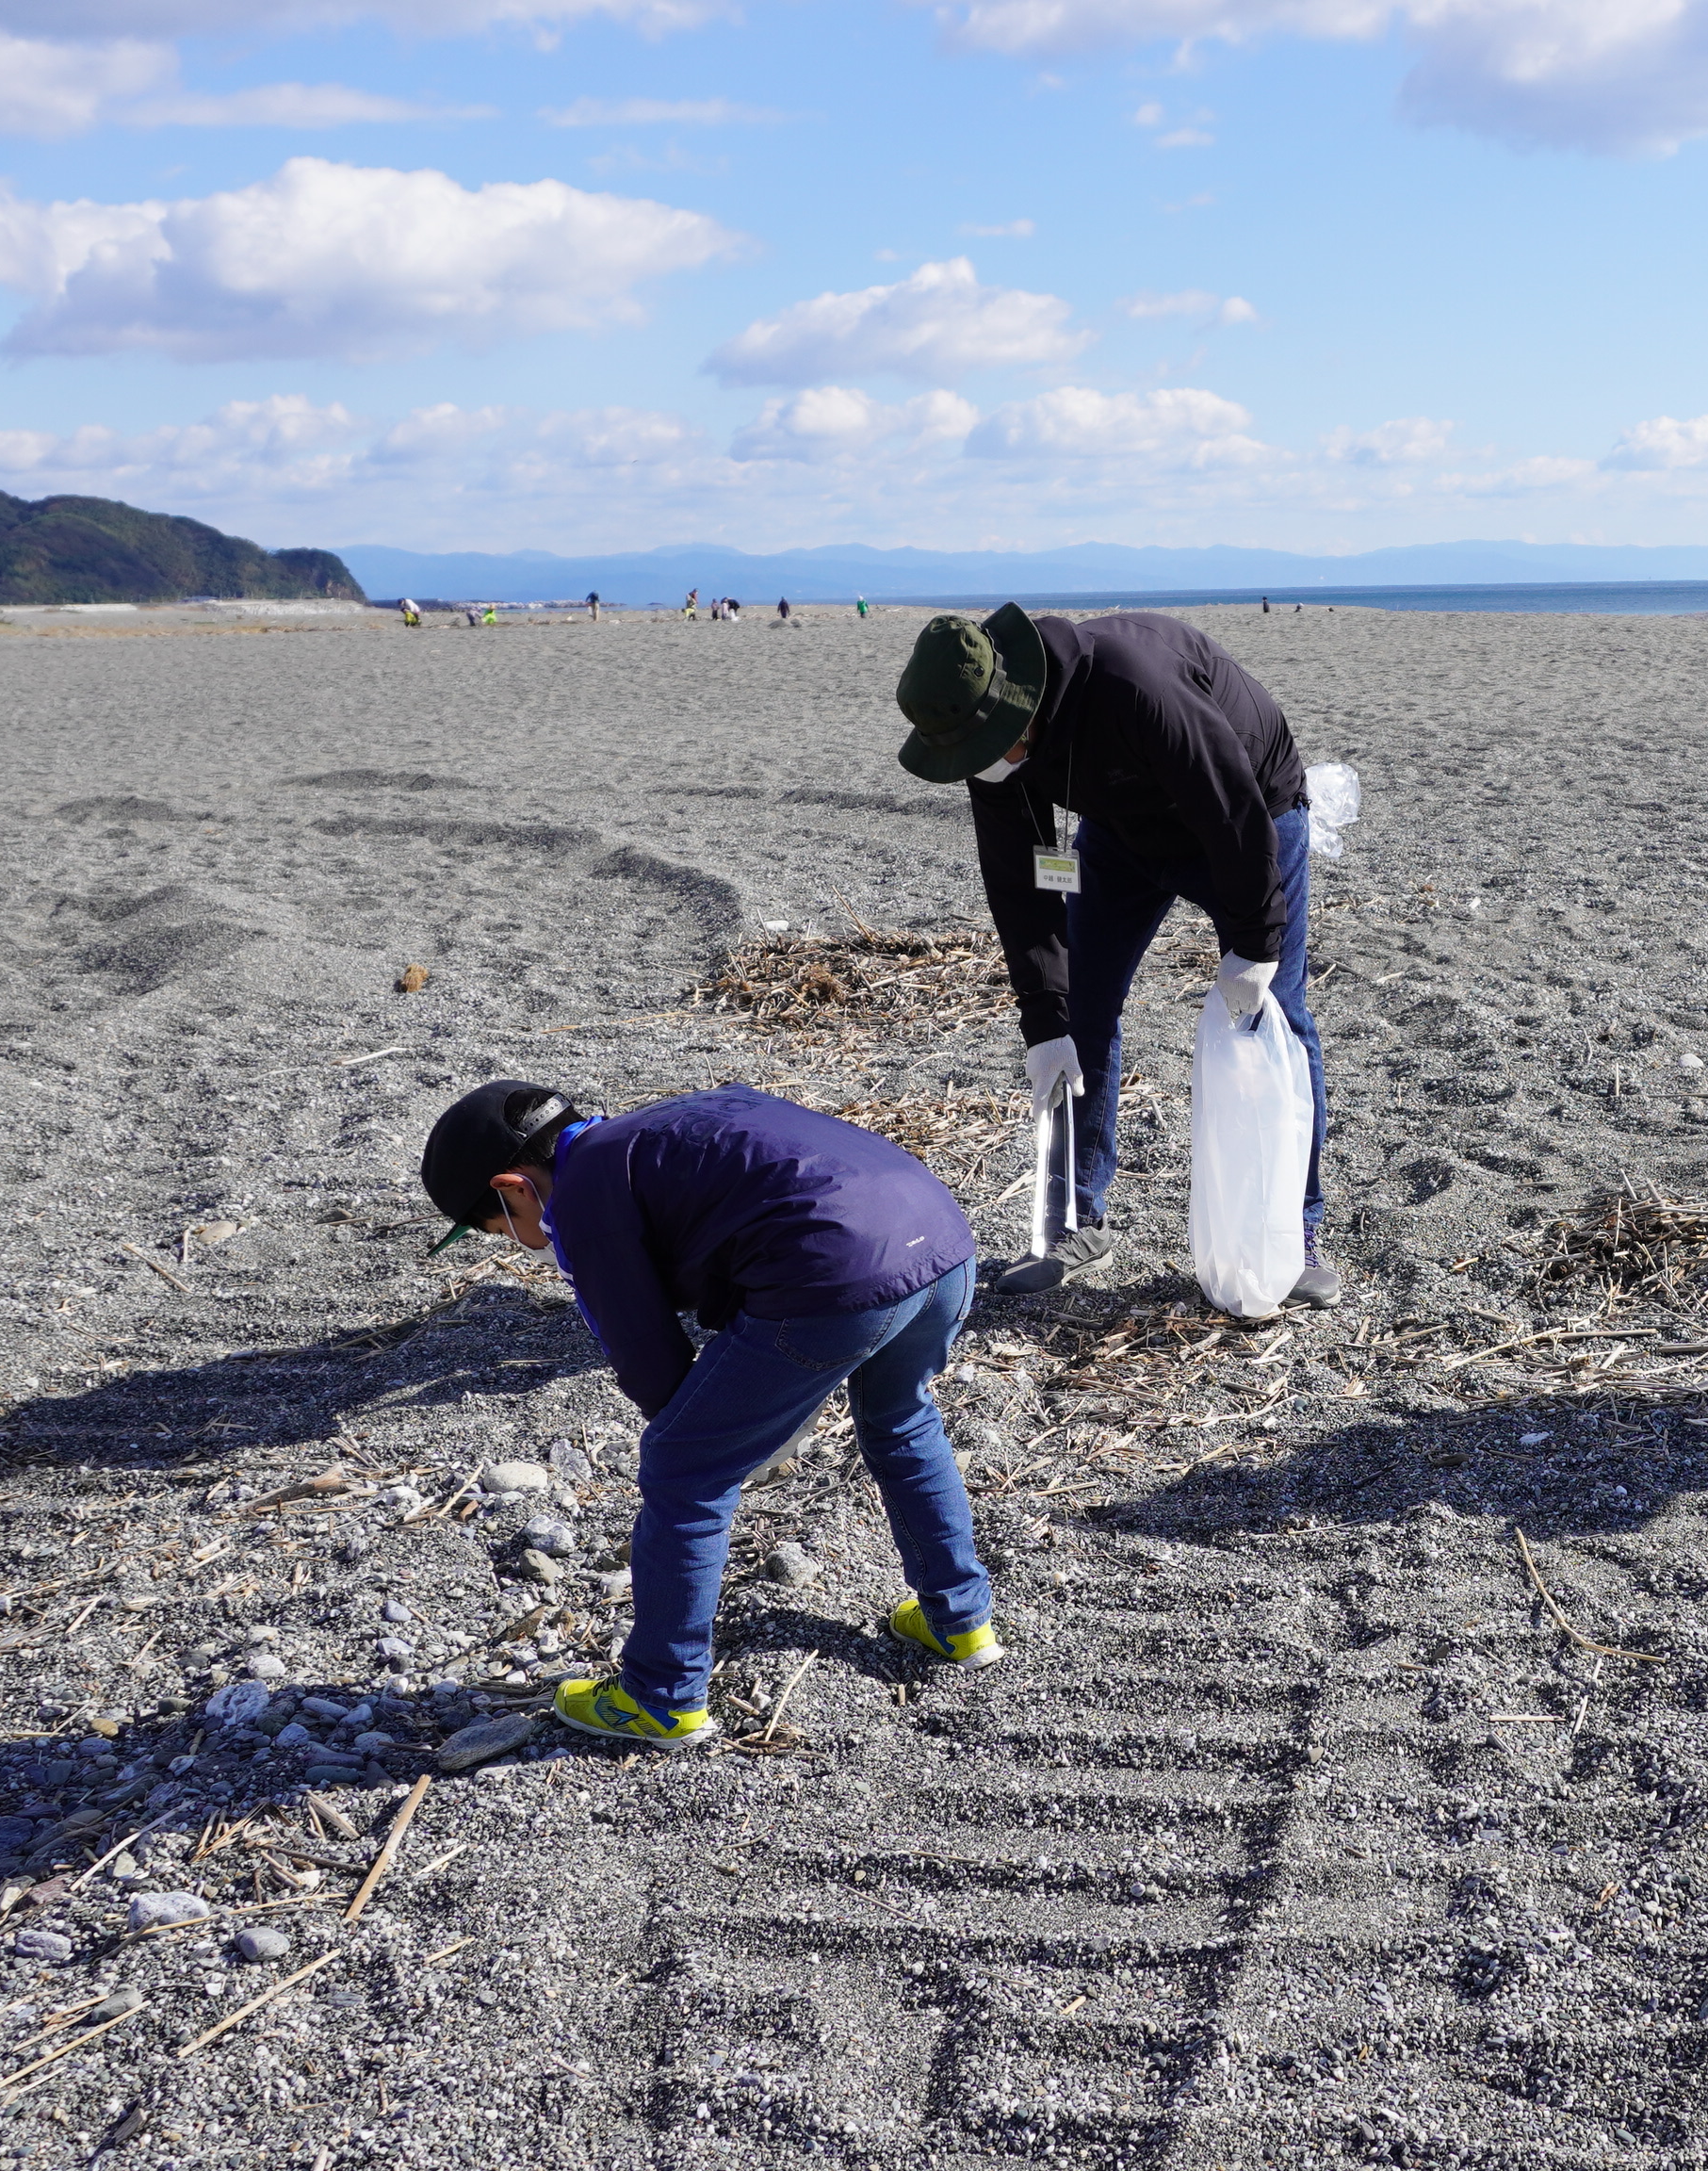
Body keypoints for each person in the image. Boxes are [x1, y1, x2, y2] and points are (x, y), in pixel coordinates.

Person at [423, 1078, 1003, 1742]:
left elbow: (647, 1357)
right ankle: (958, 1620)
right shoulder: (671, 1124)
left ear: (514, 1187)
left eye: (502, 1228)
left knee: (683, 1471)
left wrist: (716, 1441)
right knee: (901, 1419)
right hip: (942, 1242)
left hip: (835, 1270)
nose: (520, 1244)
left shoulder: (581, 1194)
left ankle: (660, 1695)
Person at [894, 603, 1342, 1306]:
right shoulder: (982, 745)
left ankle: (1296, 1229)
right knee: (1081, 1010)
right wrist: (1044, 1019)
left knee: (1277, 1017)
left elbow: (1233, 809)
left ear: (1019, 710)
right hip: (1120, 836)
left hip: (1252, 814)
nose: (983, 769)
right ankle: (1075, 1221)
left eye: (989, 753)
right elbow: (1019, 882)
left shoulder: (1138, 689)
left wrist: (1254, 944)